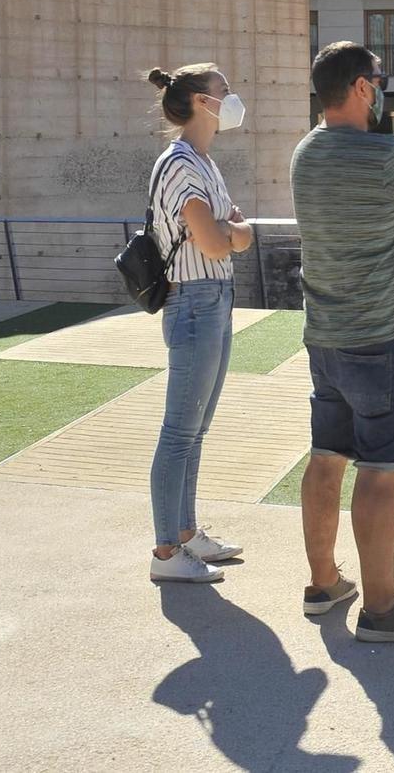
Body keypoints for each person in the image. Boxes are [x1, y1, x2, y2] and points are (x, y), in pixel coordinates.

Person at [292, 43, 394, 644]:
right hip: (387, 340)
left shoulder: (304, 153)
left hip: (326, 336)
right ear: (363, 88)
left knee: (326, 456)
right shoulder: (388, 153)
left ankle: (323, 583)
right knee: (382, 473)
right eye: (380, 81)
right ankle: (383, 611)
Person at [144, 64, 255, 584]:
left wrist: (232, 230)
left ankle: (186, 534)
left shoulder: (203, 162)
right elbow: (217, 240)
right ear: (198, 102)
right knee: (179, 431)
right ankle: (167, 553)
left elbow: (229, 230)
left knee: (195, 429)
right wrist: (235, 231)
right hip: (195, 300)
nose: (231, 98)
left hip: (213, 298)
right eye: (223, 91)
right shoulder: (182, 164)